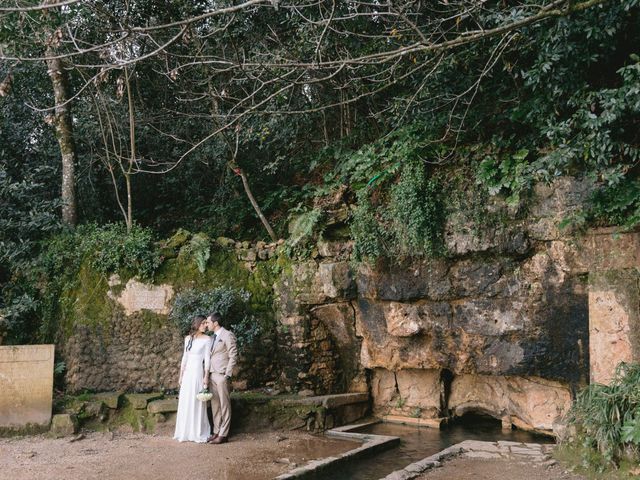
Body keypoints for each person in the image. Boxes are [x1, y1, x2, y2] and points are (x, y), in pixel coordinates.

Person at [173, 315, 212, 443]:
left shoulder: (207, 339)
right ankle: (185, 431)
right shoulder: (188, 339)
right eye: (203, 323)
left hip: (197, 373)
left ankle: (197, 431)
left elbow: (207, 359)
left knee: (196, 401)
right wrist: (180, 375)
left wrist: (206, 376)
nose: (206, 325)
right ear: (197, 324)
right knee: (186, 400)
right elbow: (185, 357)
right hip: (188, 373)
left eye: (207, 323)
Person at [205, 312, 238, 444]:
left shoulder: (227, 335)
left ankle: (224, 434)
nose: (206, 325)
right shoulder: (212, 337)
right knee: (215, 405)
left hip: (222, 375)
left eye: (208, 322)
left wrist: (227, 374)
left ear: (215, 323)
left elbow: (233, 354)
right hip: (212, 374)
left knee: (225, 405)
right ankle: (216, 431)